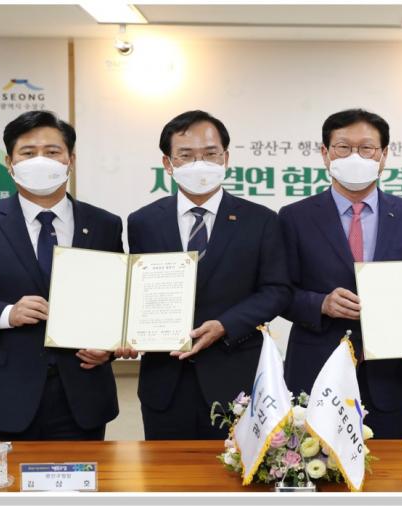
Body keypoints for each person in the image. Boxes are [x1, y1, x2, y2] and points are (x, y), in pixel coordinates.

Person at [0, 110, 122, 440]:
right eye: (28, 153)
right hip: (1, 394)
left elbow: (117, 299)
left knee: (79, 475)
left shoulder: (105, 224)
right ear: (9, 162)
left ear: (71, 160)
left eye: (52, 151)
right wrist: (7, 314)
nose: (40, 161)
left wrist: (110, 347)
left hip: (82, 393)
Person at [118, 110, 291, 440]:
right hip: (165, 381)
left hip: (236, 378)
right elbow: (135, 289)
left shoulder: (261, 220)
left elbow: (276, 290)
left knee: (237, 470)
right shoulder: (143, 221)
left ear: (226, 158)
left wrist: (226, 325)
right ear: (168, 163)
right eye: (186, 155)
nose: (200, 164)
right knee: (165, 471)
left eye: (210, 154)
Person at [278, 108, 402, 439]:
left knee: (388, 465)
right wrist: (321, 304)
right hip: (316, 368)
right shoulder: (294, 217)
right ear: (325, 154)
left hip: (391, 373)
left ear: (383, 155)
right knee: (313, 463)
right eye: (343, 147)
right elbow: (279, 291)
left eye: (366, 148)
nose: (355, 157)